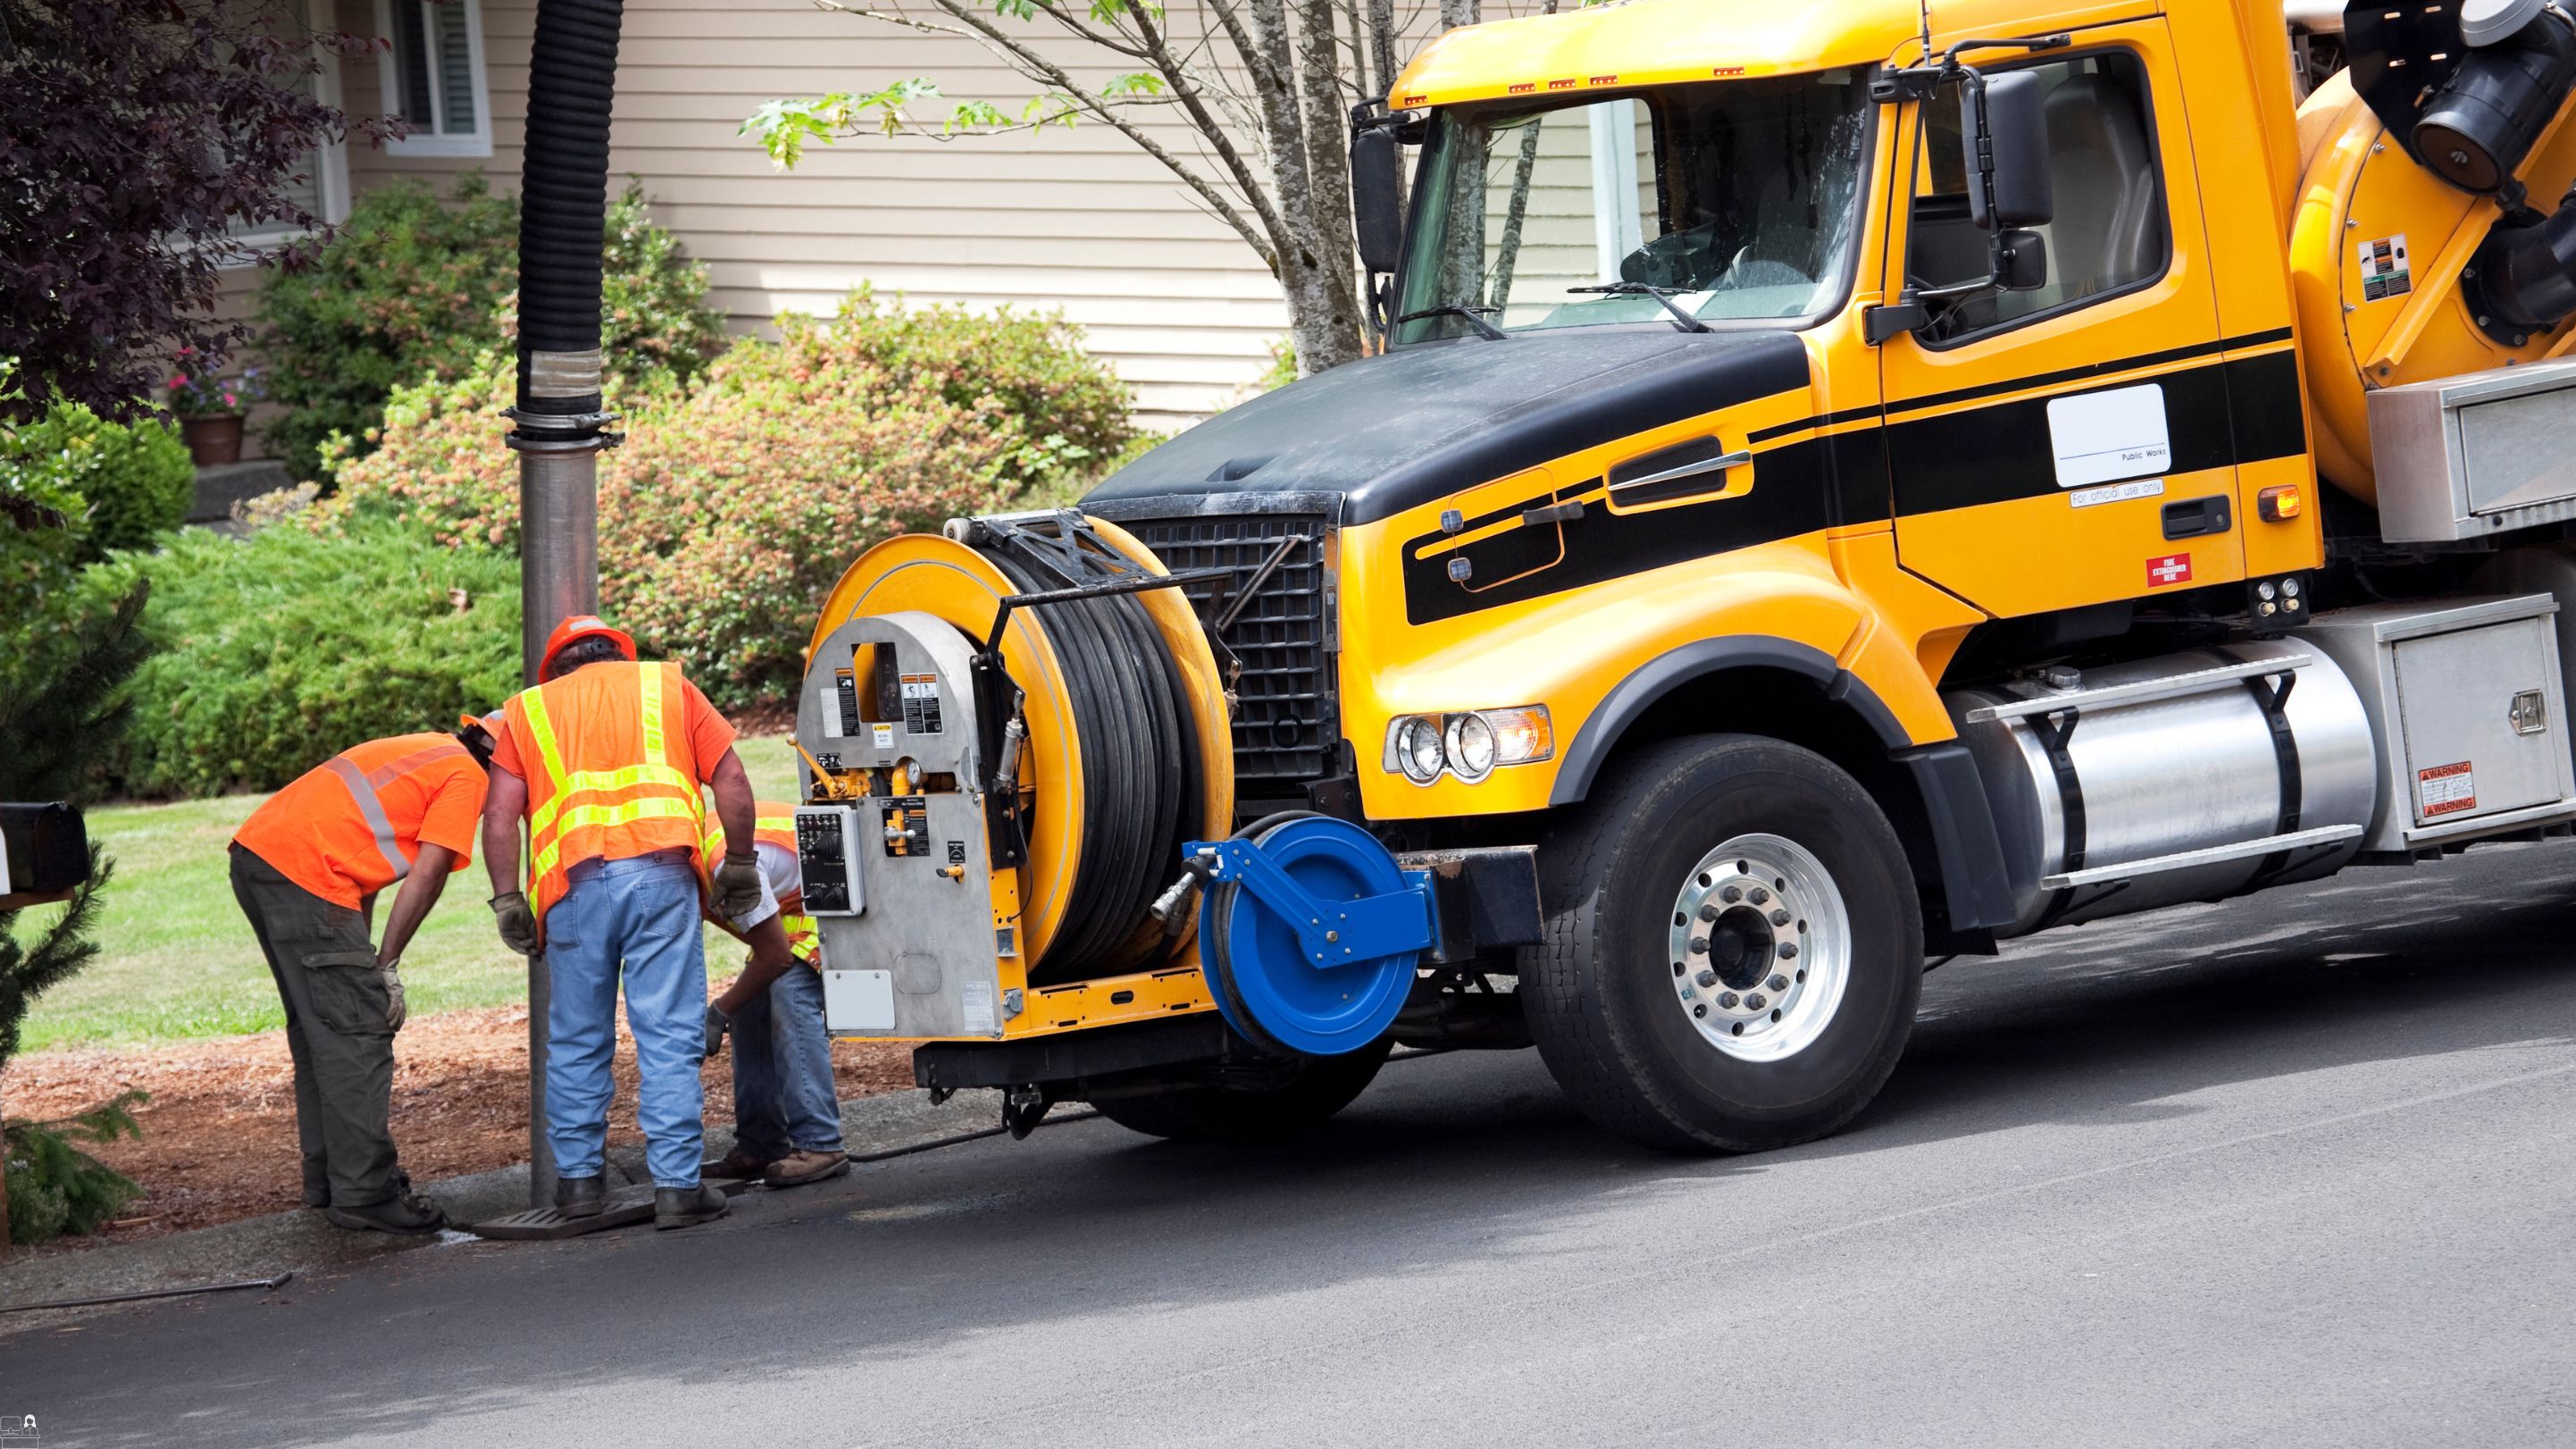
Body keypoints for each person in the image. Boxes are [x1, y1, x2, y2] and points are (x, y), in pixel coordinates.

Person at [480, 615, 765, 1231]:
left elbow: (500, 816)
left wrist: (507, 900)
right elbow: (732, 778)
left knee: (578, 1038)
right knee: (666, 1033)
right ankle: (676, 1189)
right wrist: (739, 862)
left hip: (572, 888)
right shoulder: (668, 687)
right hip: (661, 875)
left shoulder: (526, 712)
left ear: (555, 667)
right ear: (619, 655)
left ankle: (580, 1186)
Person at [229, 716, 500, 1234]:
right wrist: (386, 966)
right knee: (356, 1034)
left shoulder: (428, 750)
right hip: (305, 874)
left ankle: (331, 1181)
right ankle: (364, 1193)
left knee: (321, 1032)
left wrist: (363, 956)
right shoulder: (467, 776)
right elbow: (429, 872)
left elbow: (360, 852)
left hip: (263, 858)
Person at [696, 802, 849, 1190]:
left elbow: (777, 957)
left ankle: (820, 1143)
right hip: (795, 908)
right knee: (750, 1005)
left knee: (789, 990)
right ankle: (761, 1144)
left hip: (836, 896)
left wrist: (718, 1010)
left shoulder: (723, 865)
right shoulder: (689, 863)